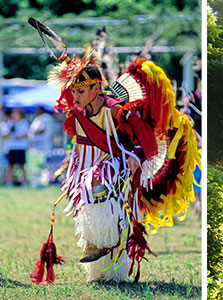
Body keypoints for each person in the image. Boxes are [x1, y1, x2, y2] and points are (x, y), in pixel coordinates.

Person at [30, 48, 200, 284]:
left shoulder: (115, 109)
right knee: (92, 209)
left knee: (97, 187)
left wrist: (136, 156)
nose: (76, 96)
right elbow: (79, 140)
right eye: (73, 91)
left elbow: (144, 136)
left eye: (80, 90)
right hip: (87, 164)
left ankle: (107, 256)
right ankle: (102, 273)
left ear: (96, 88)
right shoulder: (78, 112)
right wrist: (72, 159)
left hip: (117, 165)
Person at [1, 108, 30, 187]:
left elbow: (25, 135)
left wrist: (16, 137)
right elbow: (5, 135)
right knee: (10, 166)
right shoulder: (10, 123)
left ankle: (24, 183)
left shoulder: (24, 123)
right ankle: (9, 183)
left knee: (22, 166)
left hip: (21, 147)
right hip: (11, 148)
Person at [29, 106, 55, 186]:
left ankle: (45, 182)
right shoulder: (39, 118)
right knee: (37, 165)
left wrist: (33, 131)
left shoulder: (45, 117)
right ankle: (37, 182)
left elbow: (41, 130)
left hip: (44, 146)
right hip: (37, 147)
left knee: (45, 165)